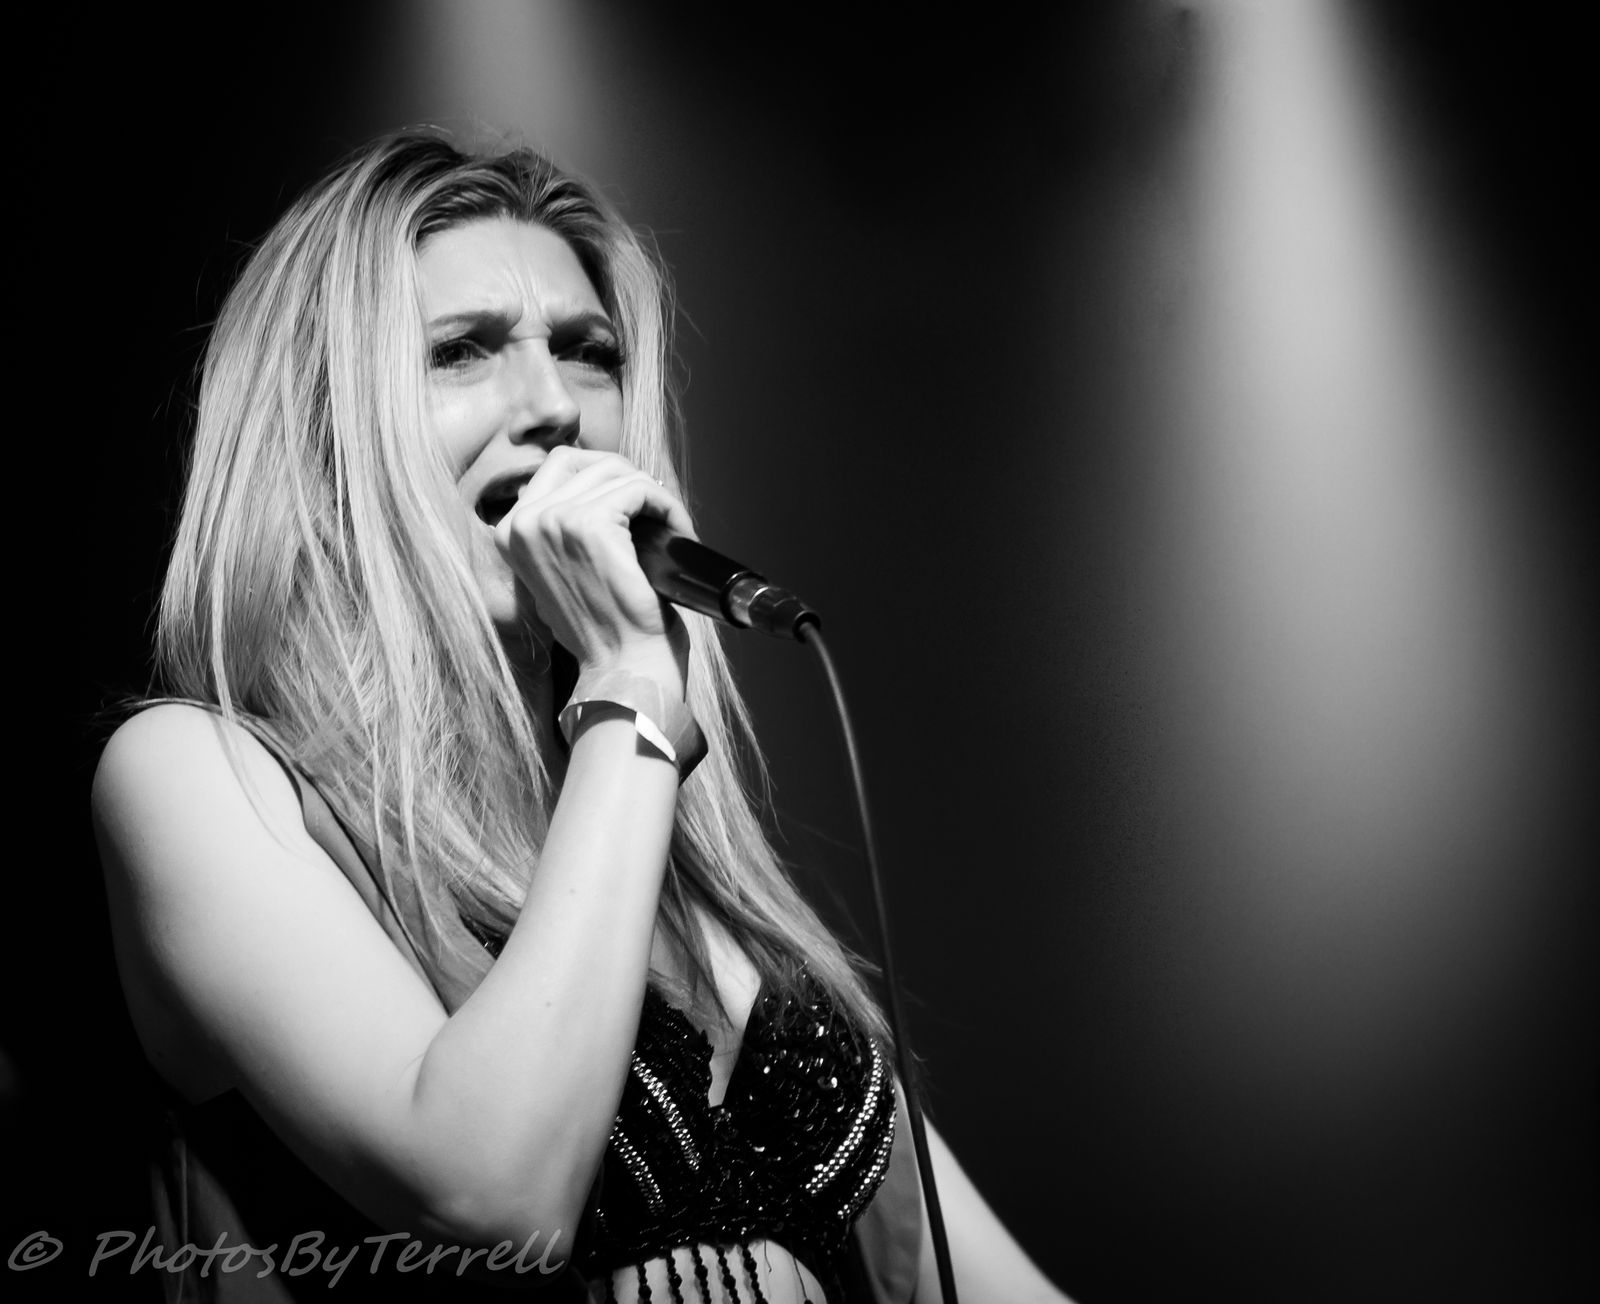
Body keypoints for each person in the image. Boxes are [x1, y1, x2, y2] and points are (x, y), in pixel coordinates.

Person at [91, 130, 1068, 1304]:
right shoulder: (197, 778)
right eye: (461, 350)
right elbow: (491, 1189)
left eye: (586, 351)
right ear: (323, 434)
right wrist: (628, 680)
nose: (552, 404)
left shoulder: (689, 878)